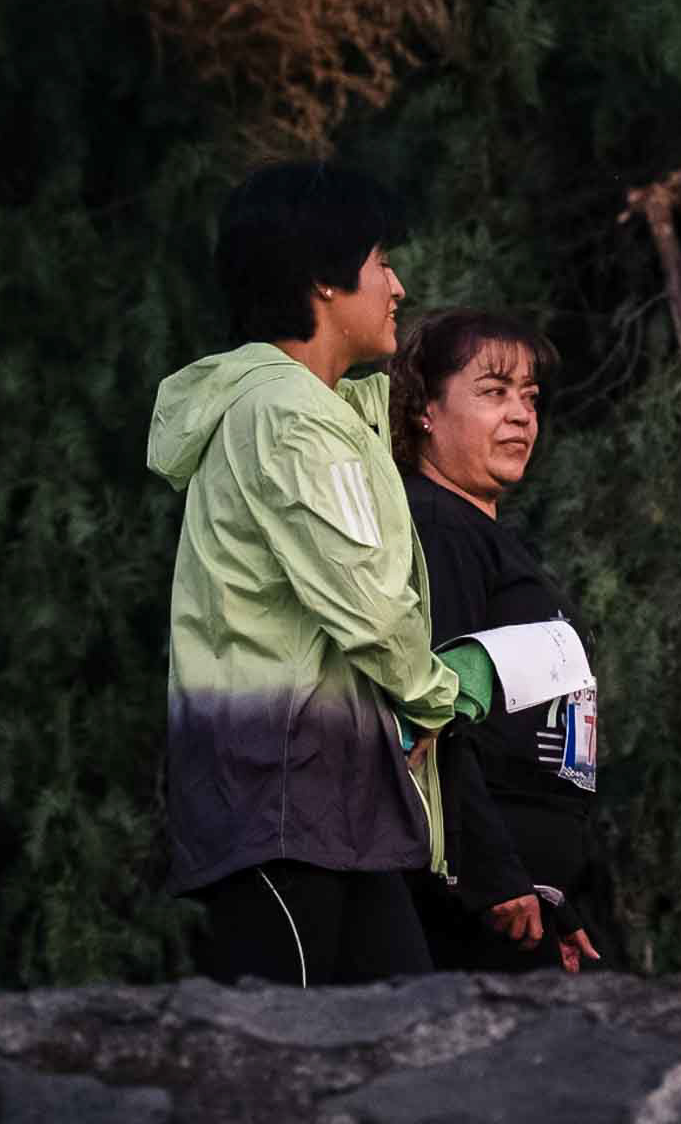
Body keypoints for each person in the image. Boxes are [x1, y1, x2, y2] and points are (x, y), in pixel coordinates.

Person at [146, 160, 479, 986]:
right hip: (280, 798)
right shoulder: (287, 420)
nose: (398, 285)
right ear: (323, 282)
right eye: (381, 263)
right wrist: (439, 698)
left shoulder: (304, 411)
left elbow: (367, 424)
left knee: (404, 1034)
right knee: (282, 1049)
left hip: (327, 804)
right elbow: (370, 606)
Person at [389, 308, 604, 973]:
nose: (521, 416)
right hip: (477, 904)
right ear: (425, 409)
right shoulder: (437, 524)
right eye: (493, 392)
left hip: (524, 896)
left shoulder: (480, 531)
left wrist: (554, 897)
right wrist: (493, 876)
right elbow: (433, 718)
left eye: (530, 397)